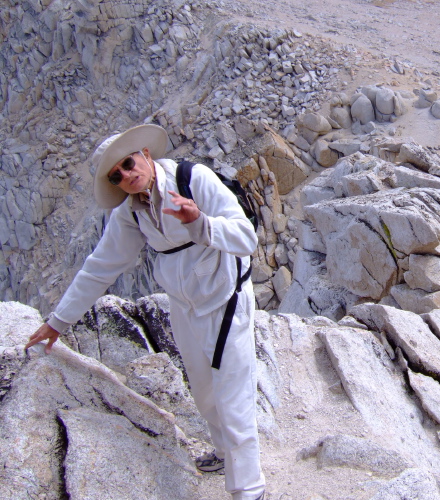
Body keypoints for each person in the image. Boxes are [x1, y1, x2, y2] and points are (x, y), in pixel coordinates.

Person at [25, 124, 265, 500]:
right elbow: (101, 265)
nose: (126, 174)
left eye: (128, 162)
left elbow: (245, 238)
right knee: (204, 394)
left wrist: (199, 223)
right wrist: (58, 321)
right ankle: (223, 453)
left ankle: (248, 490)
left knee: (233, 400)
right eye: (116, 175)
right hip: (184, 304)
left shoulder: (192, 179)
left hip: (226, 296)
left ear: (146, 155)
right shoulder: (131, 212)